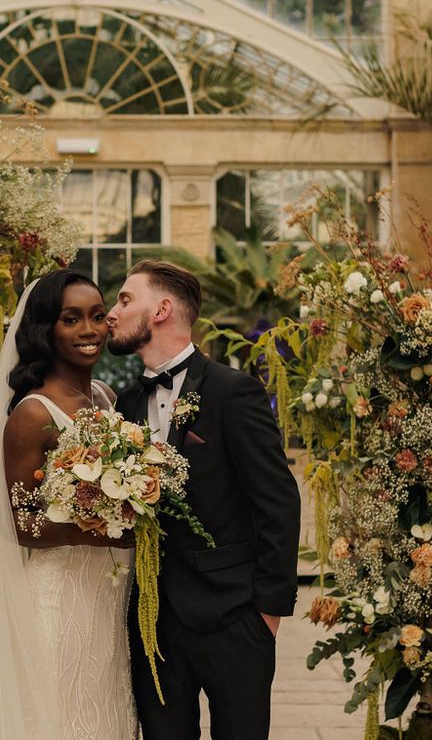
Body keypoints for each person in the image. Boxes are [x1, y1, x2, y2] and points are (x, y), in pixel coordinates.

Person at [0, 269, 136, 740]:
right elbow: (22, 524)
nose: (90, 330)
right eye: (71, 319)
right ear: (45, 331)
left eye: (97, 316)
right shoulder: (33, 414)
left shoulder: (105, 398)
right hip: (58, 600)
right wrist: (101, 524)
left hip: (106, 598)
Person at [107, 259, 301, 740]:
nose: (112, 312)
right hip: (153, 621)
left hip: (234, 617)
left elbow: (278, 500)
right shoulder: (125, 405)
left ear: (162, 309)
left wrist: (266, 615)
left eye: (125, 299)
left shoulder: (233, 392)